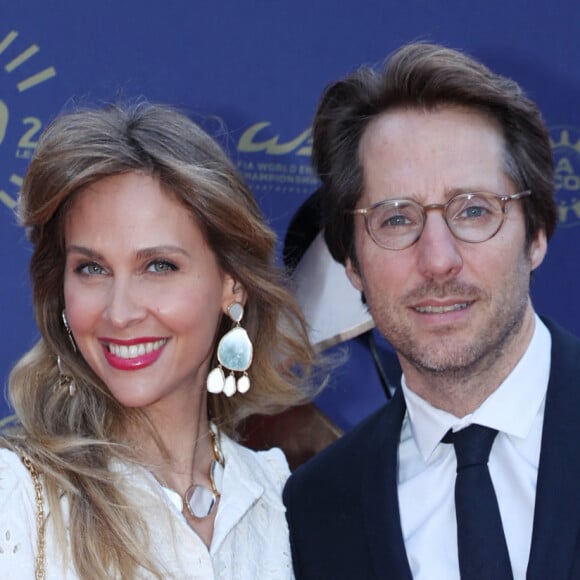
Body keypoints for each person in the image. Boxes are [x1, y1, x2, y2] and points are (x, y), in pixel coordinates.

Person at [283, 42, 580, 579]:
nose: (438, 260)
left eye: (473, 211)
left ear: (536, 234)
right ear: (352, 262)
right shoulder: (314, 509)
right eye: (396, 219)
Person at [0, 102, 315, 579]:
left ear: (232, 284)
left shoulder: (284, 497)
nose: (121, 312)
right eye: (91, 268)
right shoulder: (18, 498)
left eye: (158, 266)